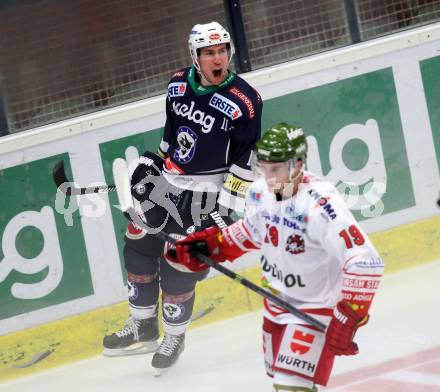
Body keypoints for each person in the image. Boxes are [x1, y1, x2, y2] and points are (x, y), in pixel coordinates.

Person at [168, 123, 384, 390]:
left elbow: (365, 261)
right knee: (285, 385)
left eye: (276, 169)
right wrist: (212, 245)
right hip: (276, 307)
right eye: (264, 167)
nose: (269, 177)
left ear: (298, 163)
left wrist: (348, 316)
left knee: (290, 388)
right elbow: (254, 230)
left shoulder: (320, 205)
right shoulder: (260, 192)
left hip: (315, 309)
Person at [102, 21, 263, 375]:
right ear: (196, 56)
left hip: (205, 193)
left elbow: (244, 162)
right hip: (168, 183)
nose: (217, 58)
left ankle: (174, 336)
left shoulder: (245, 102)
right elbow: (171, 136)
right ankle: (142, 325)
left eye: (222, 50)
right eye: (209, 52)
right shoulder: (176, 84)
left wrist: (225, 211)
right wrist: (154, 166)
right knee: (138, 244)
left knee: (180, 263)